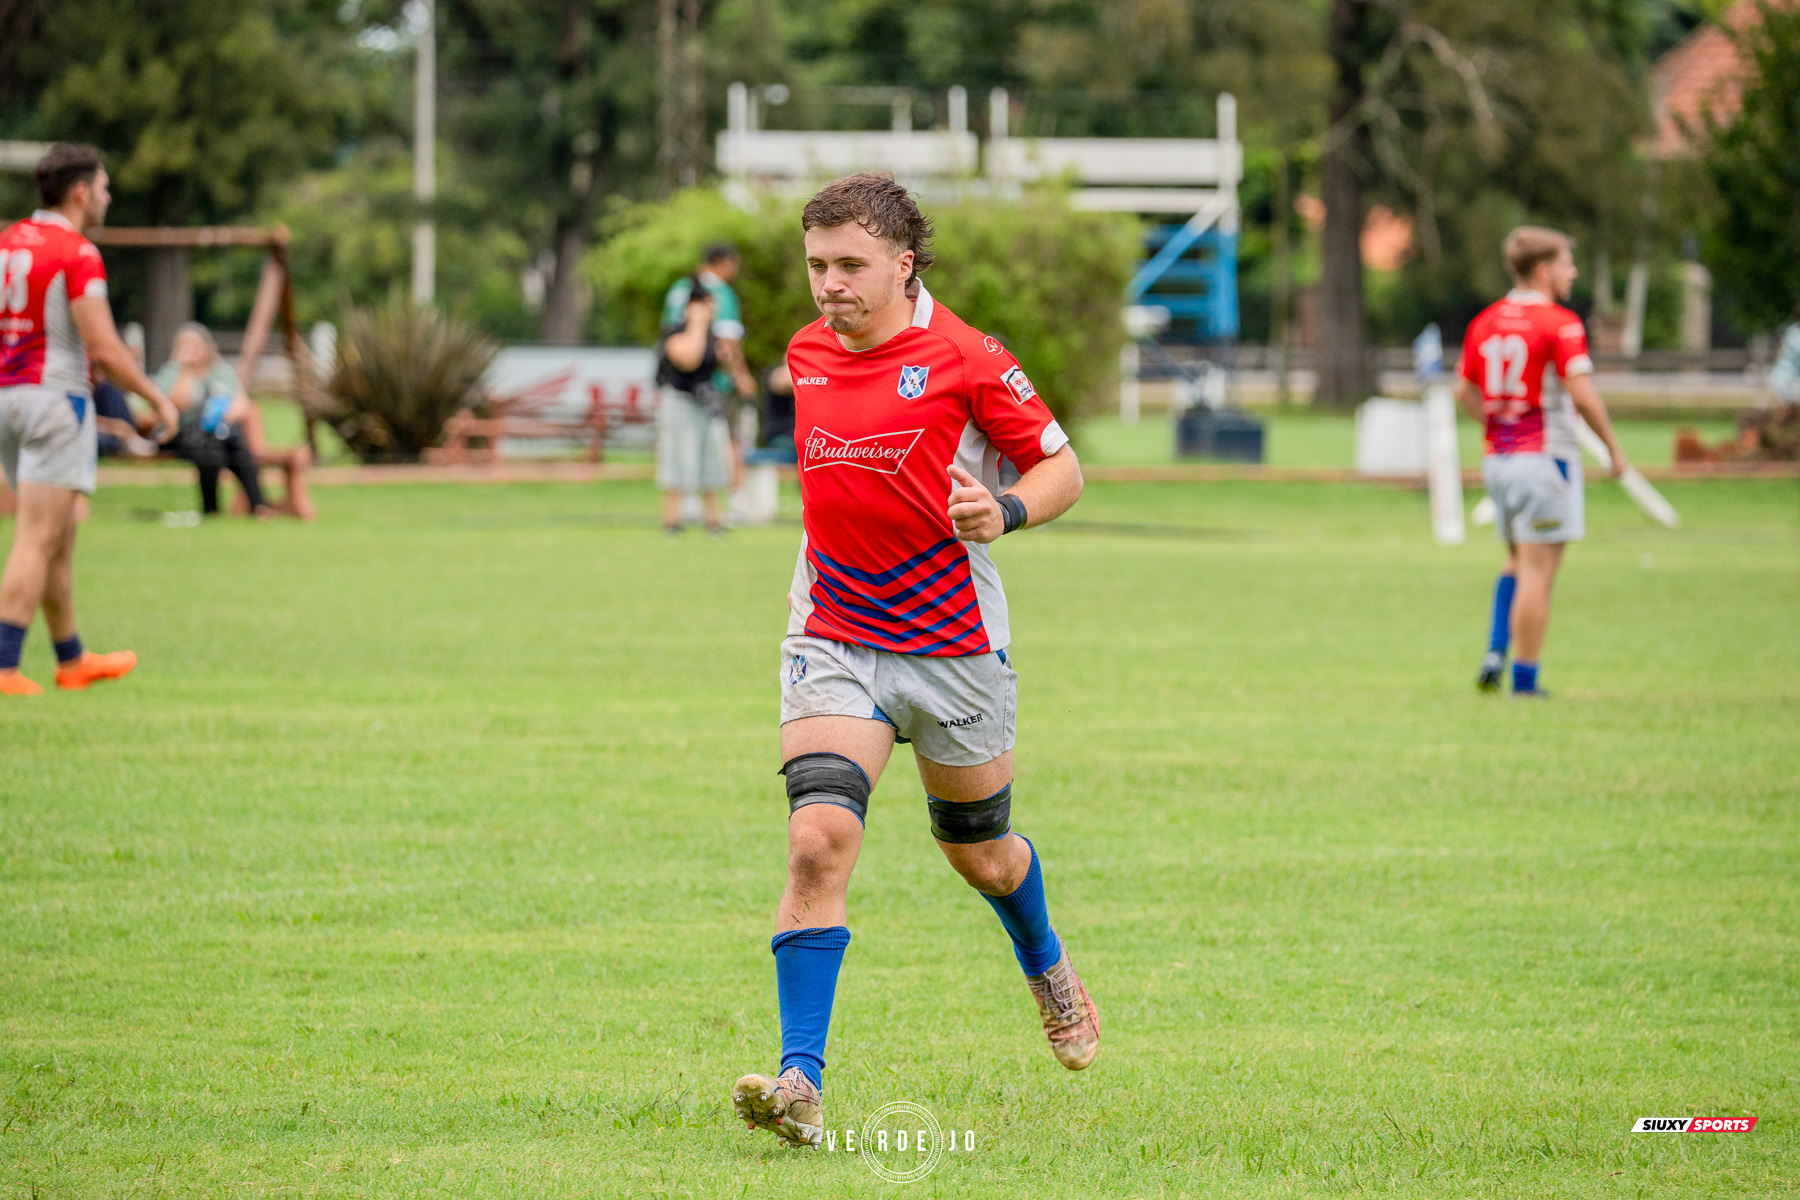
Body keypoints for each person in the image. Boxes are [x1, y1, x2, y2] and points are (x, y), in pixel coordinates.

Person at [729, 173, 1092, 1149]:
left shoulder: (968, 357)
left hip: (954, 650)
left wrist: (1005, 509)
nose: (829, 287)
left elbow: (1063, 467)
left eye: (850, 266)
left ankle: (1045, 957)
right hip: (834, 632)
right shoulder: (805, 352)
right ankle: (800, 1081)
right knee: (817, 843)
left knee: (978, 853)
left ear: (903, 262)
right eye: (816, 266)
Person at [0, 143, 180, 696]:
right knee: (36, 536)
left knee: (60, 529)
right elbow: (102, 347)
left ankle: (71, 658)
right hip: (54, 402)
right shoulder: (76, 253)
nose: (108, 196)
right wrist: (158, 397)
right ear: (80, 193)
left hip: (8, 398)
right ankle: (4, 665)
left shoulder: (7, 242)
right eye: (103, 187)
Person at [1458, 226, 1627, 698]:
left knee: (1515, 558)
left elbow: (1463, 389)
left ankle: (1496, 651)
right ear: (1543, 269)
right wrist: (1614, 448)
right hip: (1544, 459)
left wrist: (1492, 428)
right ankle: (1525, 682)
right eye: (1568, 263)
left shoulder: (1486, 321)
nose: (1572, 273)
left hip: (1499, 460)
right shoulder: (1560, 323)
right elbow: (1583, 394)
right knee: (1539, 570)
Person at [153, 323, 273, 518]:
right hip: (180, 433)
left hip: (216, 432)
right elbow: (176, 405)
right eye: (185, 345)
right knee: (210, 453)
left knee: (240, 450)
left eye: (194, 345)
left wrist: (222, 415)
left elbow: (242, 402)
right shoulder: (172, 372)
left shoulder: (220, 371)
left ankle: (258, 505)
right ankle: (211, 509)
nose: (190, 350)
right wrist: (186, 370)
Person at [655, 277, 732, 534]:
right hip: (679, 401)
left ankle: (714, 520)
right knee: (675, 457)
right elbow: (688, 359)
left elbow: (724, 365)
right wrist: (696, 324)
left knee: (711, 459)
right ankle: (672, 521)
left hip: (705, 403)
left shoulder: (714, 335)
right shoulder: (676, 331)